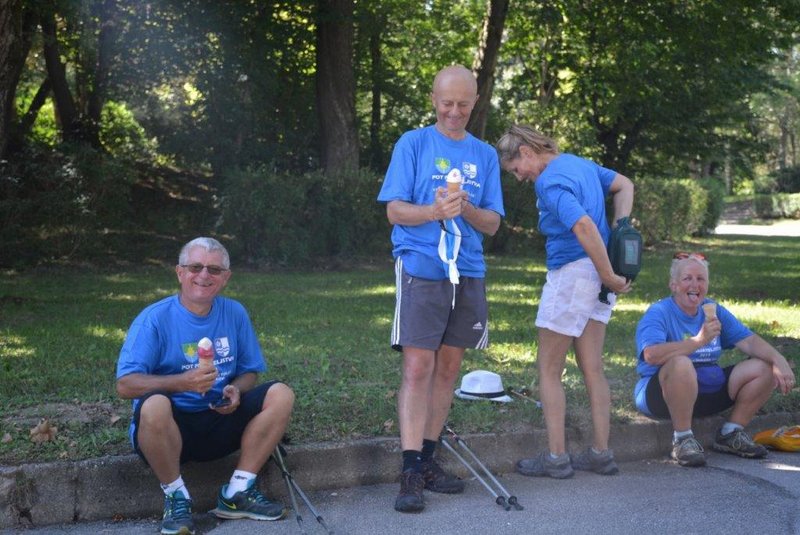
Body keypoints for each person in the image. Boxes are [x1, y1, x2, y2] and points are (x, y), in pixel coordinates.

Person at [377, 65, 505, 513]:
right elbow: (394, 211)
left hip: (467, 270)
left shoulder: (484, 155)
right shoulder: (412, 144)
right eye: (447, 103)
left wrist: (464, 208)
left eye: (463, 104)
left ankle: (429, 459)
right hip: (421, 267)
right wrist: (433, 212)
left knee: (449, 369)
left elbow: (492, 223)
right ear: (433, 99)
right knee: (418, 368)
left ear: (475, 103)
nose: (454, 112)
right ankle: (410, 470)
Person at [116, 237, 295, 535]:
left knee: (281, 394)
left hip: (219, 419)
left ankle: (238, 492)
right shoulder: (154, 319)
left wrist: (236, 389)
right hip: (169, 431)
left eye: (214, 269)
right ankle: (176, 497)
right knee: (155, 404)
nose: (204, 275)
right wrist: (181, 382)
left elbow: (250, 371)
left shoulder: (234, 313)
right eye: (195, 267)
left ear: (226, 277)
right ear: (180, 272)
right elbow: (125, 385)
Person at [495, 125, 633, 479]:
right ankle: (601, 454)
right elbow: (625, 185)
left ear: (526, 152)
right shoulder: (580, 164)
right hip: (599, 274)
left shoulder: (549, 181)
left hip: (574, 274)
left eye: (516, 169)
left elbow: (583, 225)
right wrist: (621, 230)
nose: (519, 178)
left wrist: (607, 273)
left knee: (548, 369)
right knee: (593, 368)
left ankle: (556, 458)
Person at [634, 252, 795, 467]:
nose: (695, 285)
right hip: (661, 396)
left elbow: (749, 342)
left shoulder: (713, 310)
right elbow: (651, 355)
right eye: (687, 278)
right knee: (682, 363)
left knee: (765, 367)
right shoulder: (659, 312)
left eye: (701, 279)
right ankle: (682, 439)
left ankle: (731, 433)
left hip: (706, 390)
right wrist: (698, 341)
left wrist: (779, 359)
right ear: (673, 285)